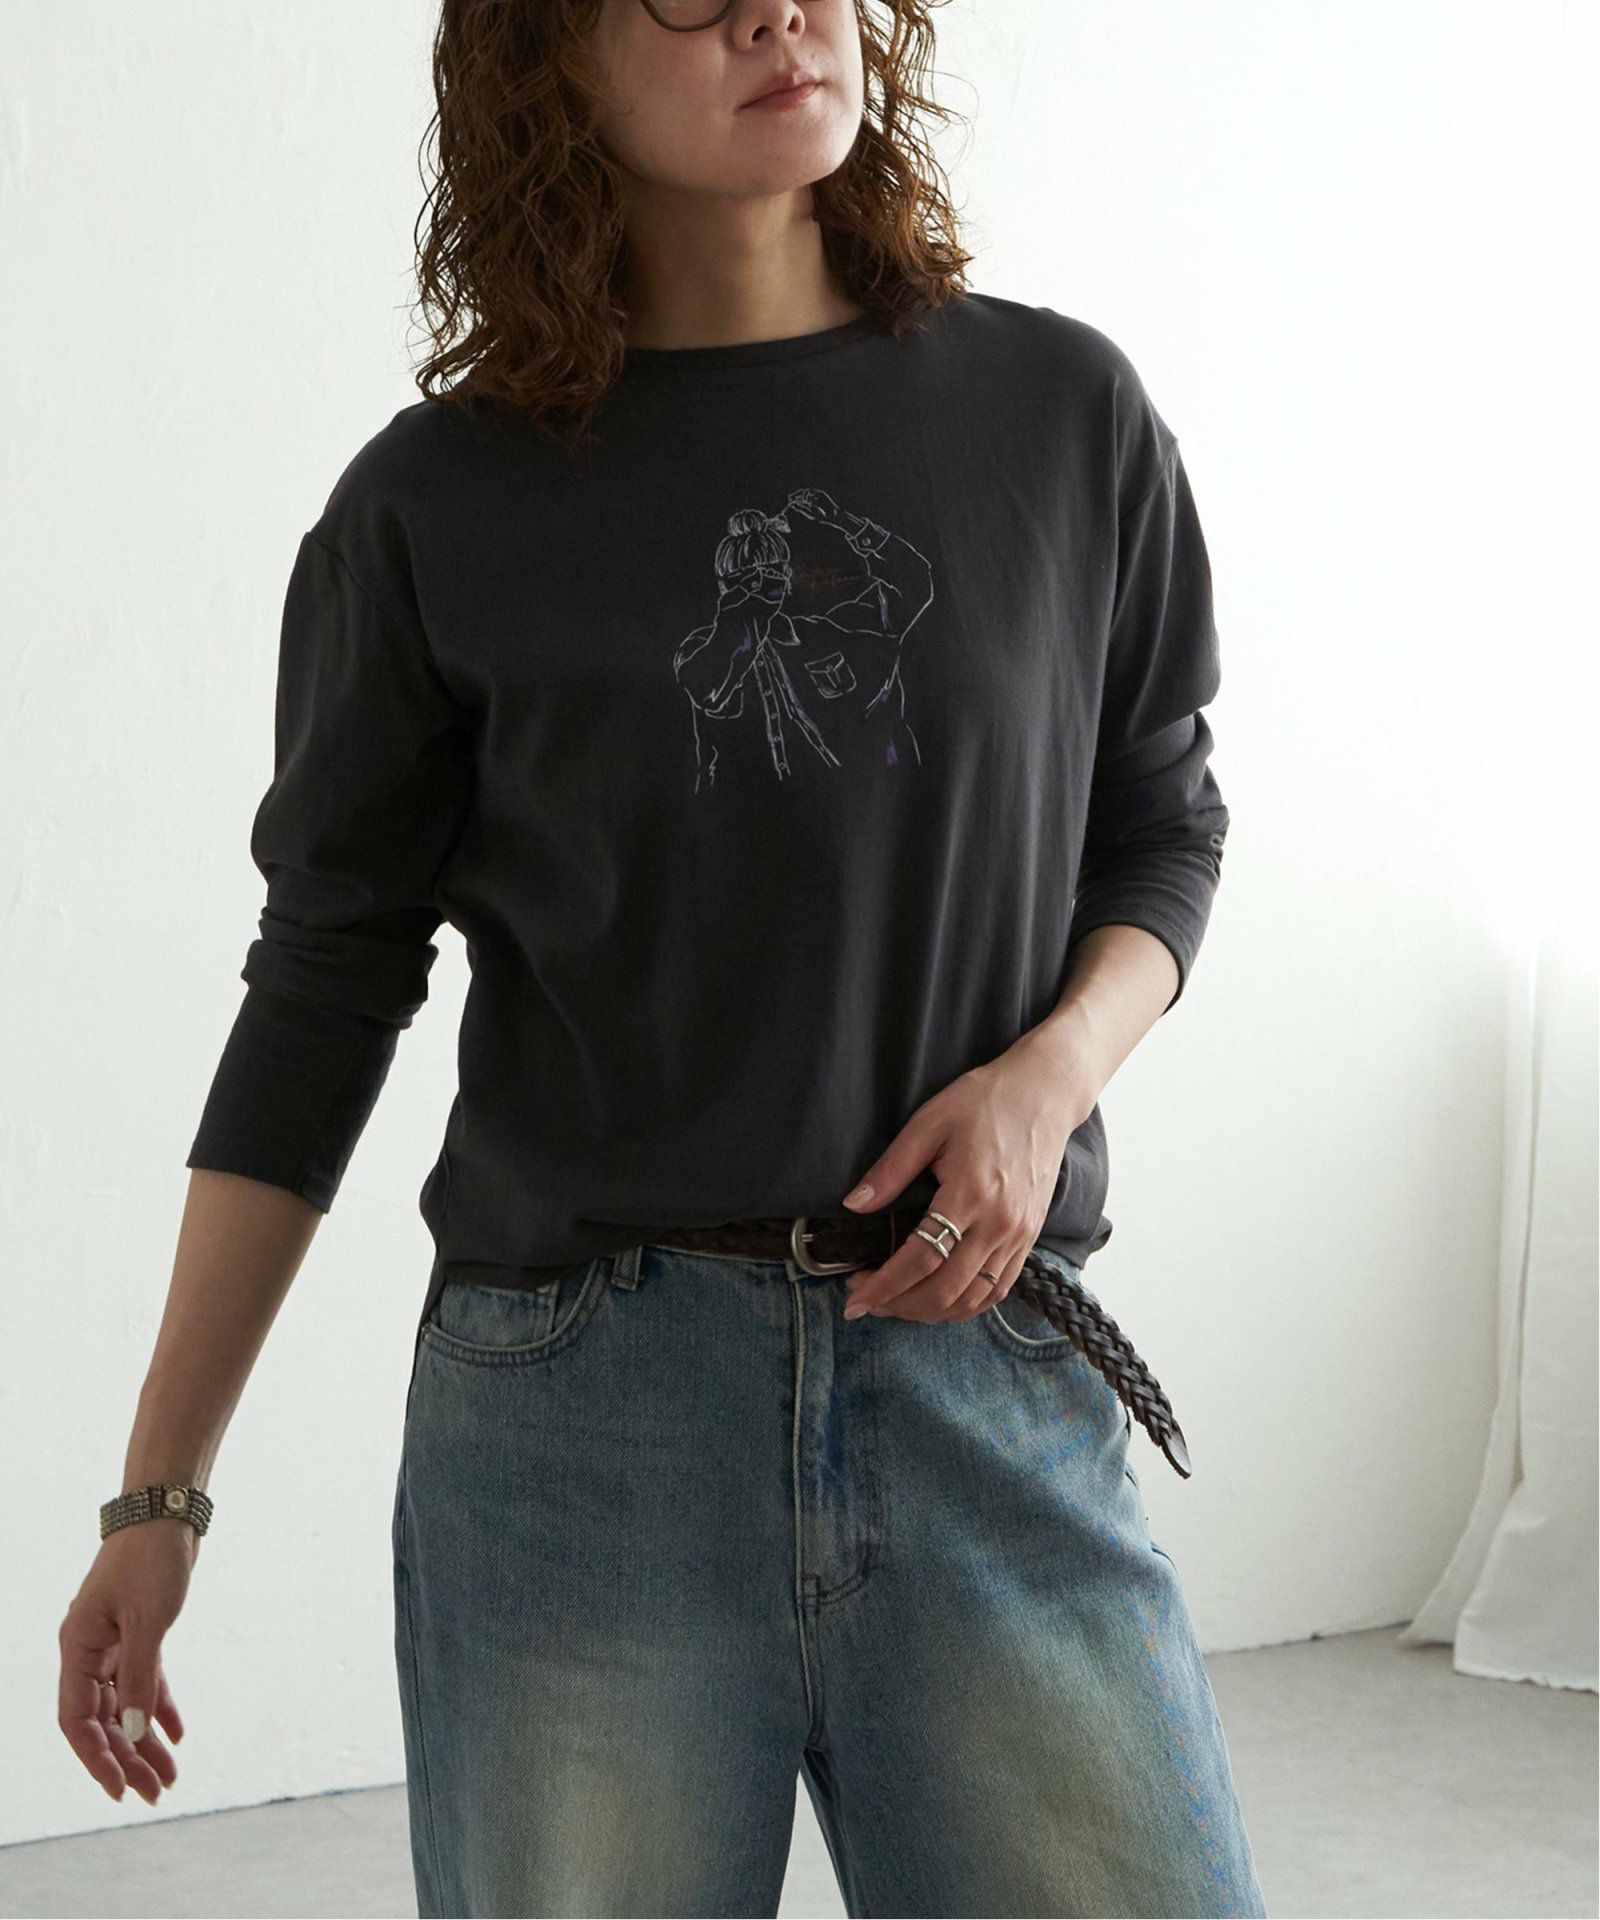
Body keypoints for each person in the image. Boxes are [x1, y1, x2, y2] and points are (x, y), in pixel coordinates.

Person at [57, 1, 1268, 1914]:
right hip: (583, 1427)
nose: (777, 10)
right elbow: (319, 997)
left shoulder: (1061, 416)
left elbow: (1161, 826)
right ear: (552, 61)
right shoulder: (434, 508)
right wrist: (158, 1495)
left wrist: (1048, 1084)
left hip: (980, 1373)